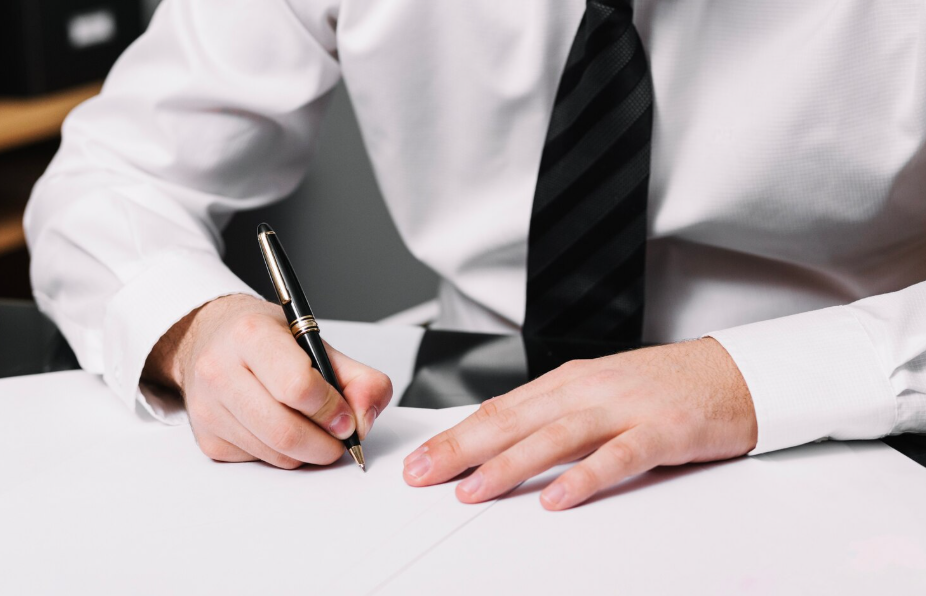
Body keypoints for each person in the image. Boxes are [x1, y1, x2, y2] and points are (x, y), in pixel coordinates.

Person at [26, 0, 926, 511]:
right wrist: (195, 327)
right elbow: (111, 173)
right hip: (465, 397)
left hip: (844, 414)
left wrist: (745, 380)